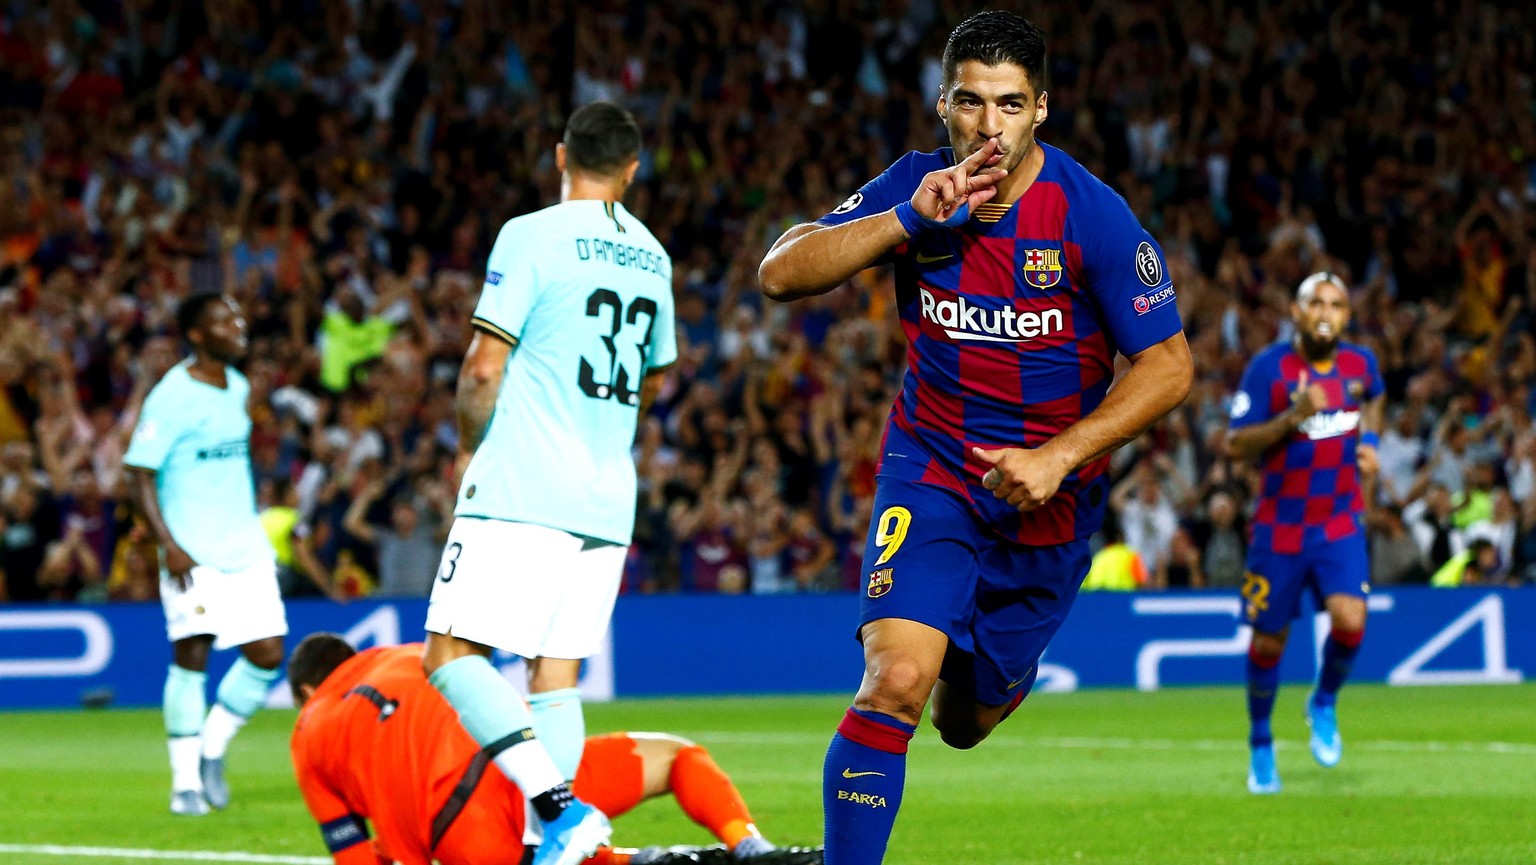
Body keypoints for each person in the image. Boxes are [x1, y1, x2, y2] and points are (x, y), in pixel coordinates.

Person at [757, 12, 1192, 863]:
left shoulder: (1091, 215)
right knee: (896, 681)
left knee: (963, 720)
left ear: (1041, 110)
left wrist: (1060, 455)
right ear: (942, 104)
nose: (987, 127)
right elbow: (780, 272)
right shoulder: (916, 186)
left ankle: (998, 673)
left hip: (1049, 500)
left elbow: (1169, 366)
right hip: (934, 469)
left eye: (1009, 104)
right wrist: (905, 223)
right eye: (969, 102)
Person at [420, 101, 677, 865]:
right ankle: (546, 847)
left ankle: (560, 813)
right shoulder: (655, 256)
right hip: (608, 493)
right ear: (632, 170)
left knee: (450, 654)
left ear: (560, 155)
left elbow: (481, 366)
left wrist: (471, 444)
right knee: (554, 677)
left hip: (527, 481)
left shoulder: (530, 233)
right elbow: (655, 375)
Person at [289, 634, 821, 865]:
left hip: (461, 841)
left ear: (306, 692)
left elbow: (355, 855)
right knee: (677, 757)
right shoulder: (414, 654)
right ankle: (748, 846)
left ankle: (635, 861)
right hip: (526, 771)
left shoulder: (310, 729)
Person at [123, 294, 289, 815]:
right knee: (192, 658)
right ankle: (184, 784)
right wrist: (169, 546)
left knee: (267, 654)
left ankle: (212, 748)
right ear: (196, 334)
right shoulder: (170, 396)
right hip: (190, 551)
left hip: (243, 543)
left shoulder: (237, 387)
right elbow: (139, 474)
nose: (238, 326)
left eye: (239, 317)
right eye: (224, 320)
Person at [1226, 271, 1385, 794]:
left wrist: (1373, 444)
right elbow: (1236, 445)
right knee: (1269, 645)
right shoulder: (1268, 369)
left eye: (1336, 304)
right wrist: (1293, 415)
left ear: (1345, 316)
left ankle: (1323, 700)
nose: (1325, 311)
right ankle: (1260, 745)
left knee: (1351, 620)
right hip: (1279, 530)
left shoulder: (1361, 365)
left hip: (1339, 523)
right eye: (1315, 301)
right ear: (1295, 312)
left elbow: (1376, 398)